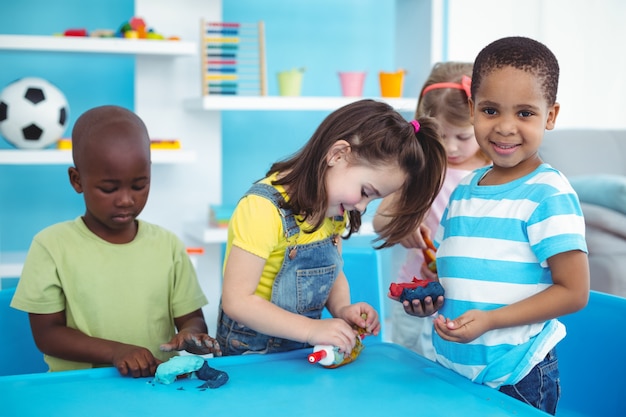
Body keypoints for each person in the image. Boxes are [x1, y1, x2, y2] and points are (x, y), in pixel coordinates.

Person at [401, 37, 590, 415]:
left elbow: (574, 292)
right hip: (454, 366)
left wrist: (491, 320)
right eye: (490, 110)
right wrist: (431, 300)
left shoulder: (548, 192)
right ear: (472, 110)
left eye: (524, 113)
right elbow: (456, 274)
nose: (505, 127)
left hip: (515, 375)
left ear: (550, 116)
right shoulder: (465, 190)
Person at [216, 99, 447, 356]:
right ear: (337, 155)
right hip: (250, 355)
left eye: (372, 199)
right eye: (364, 192)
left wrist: (342, 309)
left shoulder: (335, 210)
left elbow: (331, 271)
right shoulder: (262, 208)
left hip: (300, 353)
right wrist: (311, 329)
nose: (361, 207)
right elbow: (237, 301)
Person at [11, 105, 222, 377]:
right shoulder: (50, 245)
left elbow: (191, 318)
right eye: (109, 188)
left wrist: (191, 335)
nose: (126, 199)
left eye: (139, 185)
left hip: (154, 388)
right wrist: (116, 352)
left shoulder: (168, 246)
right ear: (77, 180)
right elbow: (48, 334)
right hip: (78, 391)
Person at [373, 62, 490, 360]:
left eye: (463, 136)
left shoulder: (493, 172)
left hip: (473, 298)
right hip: (417, 296)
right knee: (408, 367)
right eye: (441, 135)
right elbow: (380, 220)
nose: (451, 147)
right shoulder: (423, 167)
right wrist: (403, 224)